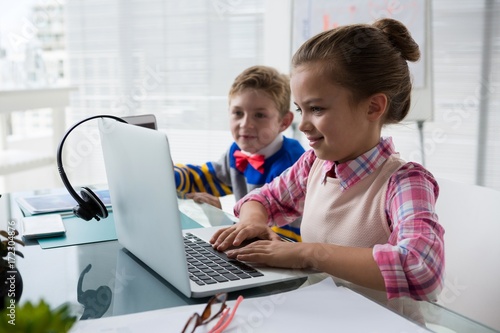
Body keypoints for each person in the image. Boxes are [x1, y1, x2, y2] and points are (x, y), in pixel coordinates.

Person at [210, 18, 445, 302]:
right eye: (300, 110)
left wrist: (308, 253)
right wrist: (253, 222)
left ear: (373, 107)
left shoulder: (405, 182)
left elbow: (422, 268)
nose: (304, 124)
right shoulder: (313, 164)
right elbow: (263, 199)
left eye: (317, 109)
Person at [175, 65, 305, 241]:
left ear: (284, 122)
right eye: (238, 113)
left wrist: (219, 219)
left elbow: (277, 241)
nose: (245, 124)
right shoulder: (237, 151)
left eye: (259, 115)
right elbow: (205, 178)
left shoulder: (291, 164)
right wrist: (167, 174)